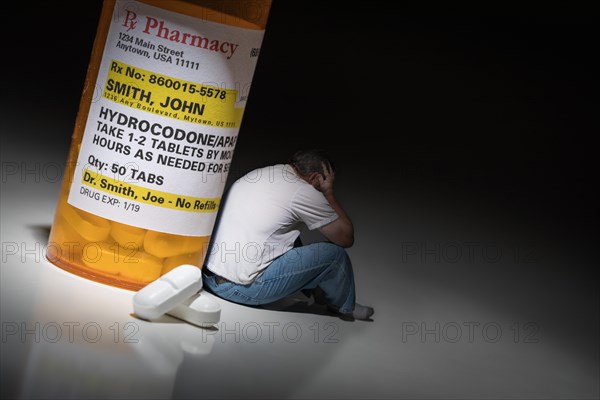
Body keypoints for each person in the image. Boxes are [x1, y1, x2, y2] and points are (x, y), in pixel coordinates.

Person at [202, 149, 374, 321]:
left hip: (207, 277)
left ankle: (322, 291)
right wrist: (328, 193)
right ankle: (342, 306)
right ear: (316, 178)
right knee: (335, 256)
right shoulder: (304, 191)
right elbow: (345, 238)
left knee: (289, 237)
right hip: (239, 289)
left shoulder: (263, 173)